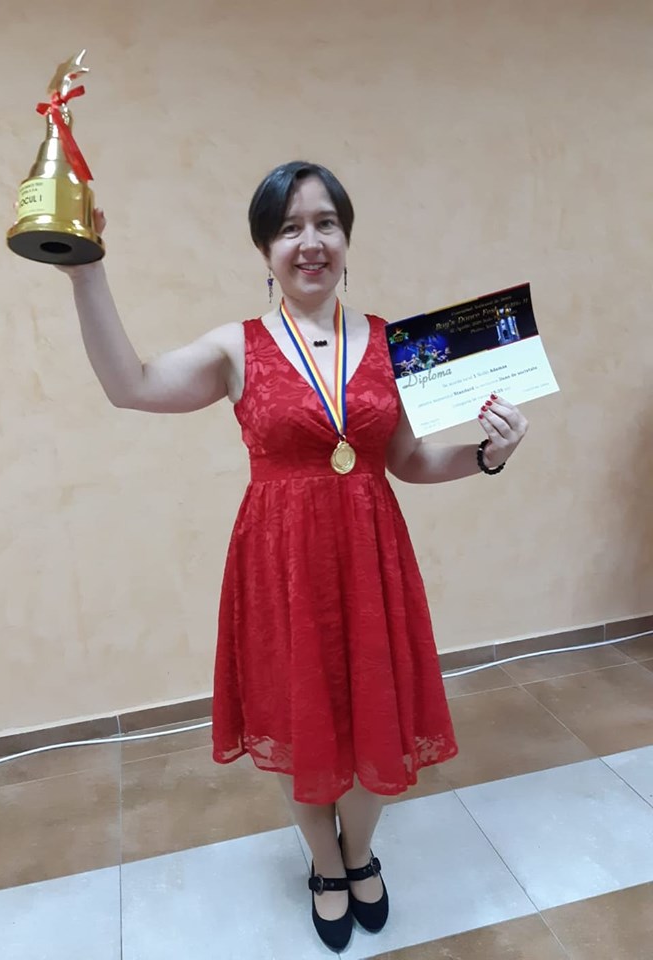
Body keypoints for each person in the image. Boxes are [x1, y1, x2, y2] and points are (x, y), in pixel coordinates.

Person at [58, 161, 529, 951]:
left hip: (372, 560)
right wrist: (86, 275)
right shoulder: (236, 347)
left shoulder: (399, 344)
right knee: (301, 717)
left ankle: (360, 851)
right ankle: (324, 862)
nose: (310, 242)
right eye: (289, 227)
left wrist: (488, 454)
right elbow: (129, 384)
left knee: (376, 713)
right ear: (265, 249)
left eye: (326, 223)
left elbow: (409, 461)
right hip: (280, 567)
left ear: (347, 238)